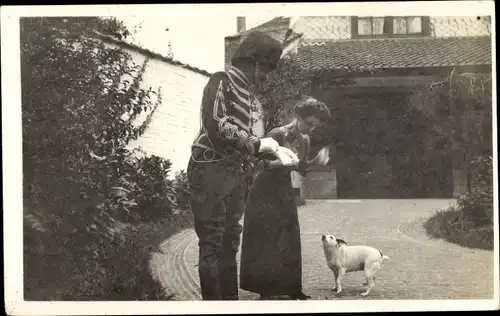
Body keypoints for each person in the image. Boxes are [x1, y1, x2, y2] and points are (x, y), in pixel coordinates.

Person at [186, 31, 297, 301]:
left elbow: (241, 141)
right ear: (253, 60)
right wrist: (257, 145)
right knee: (212, 241)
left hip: (233, 173)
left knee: (229, 241)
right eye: (266, 68)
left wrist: (269, 152)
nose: (266, 76)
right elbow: (217, 125)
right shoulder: (220, 80)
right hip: (209, 169)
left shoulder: (247, 94)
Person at [239, 97, 331, 300]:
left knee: (289, 236)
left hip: (283, 190)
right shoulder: (277, 134)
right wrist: (283, 162)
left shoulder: (306, 140)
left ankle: (292, 288)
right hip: (264, 190)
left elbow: (301, 168)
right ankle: (266, 290)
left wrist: (317, 162)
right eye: (308, 124)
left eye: (315, 126)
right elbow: (259, 166)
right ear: (298, 116)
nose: (310, 129)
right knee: (267, 238)